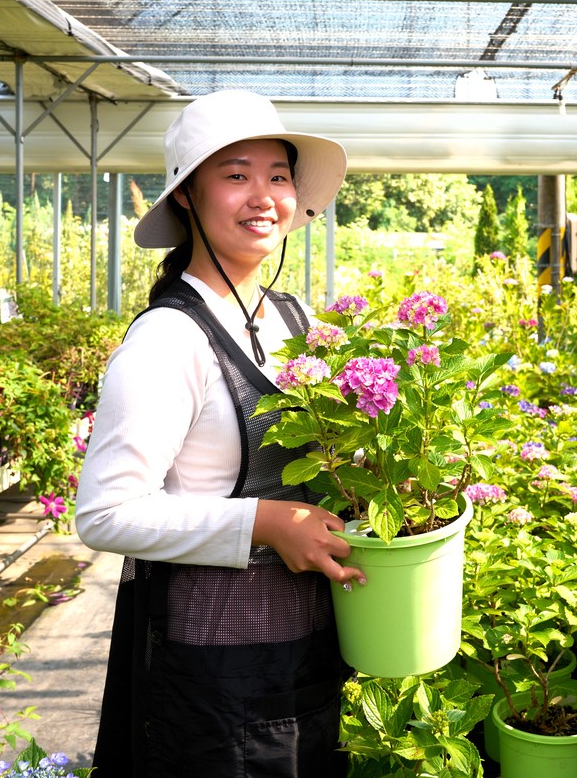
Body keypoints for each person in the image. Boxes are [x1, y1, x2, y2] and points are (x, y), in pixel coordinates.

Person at [76, 89, 362, 777]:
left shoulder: (292, 318)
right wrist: (263, 521)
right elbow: (106, 513)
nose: (262, 195)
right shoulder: (170, 338)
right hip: (213, 661)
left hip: (307, 648)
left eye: (278, 175)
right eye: (235, 175)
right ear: (186, 197)